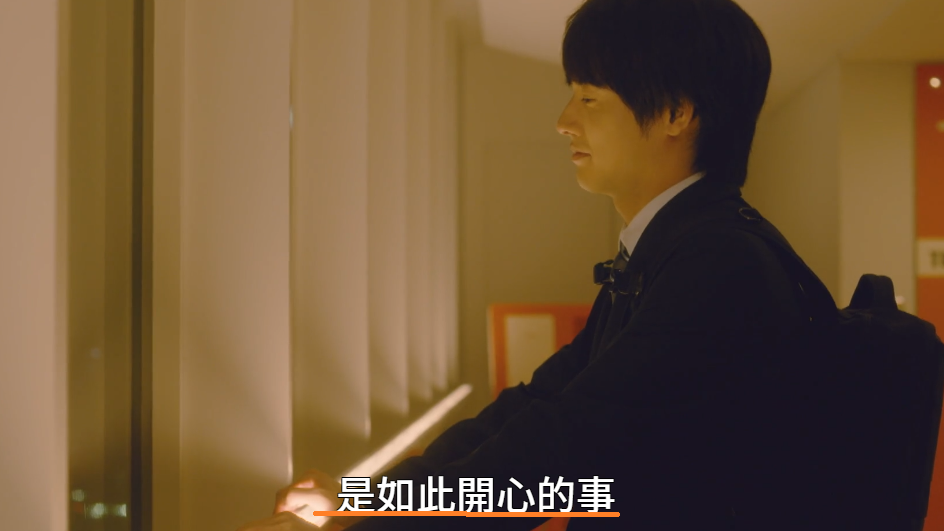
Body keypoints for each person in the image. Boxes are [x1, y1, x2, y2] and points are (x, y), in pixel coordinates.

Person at [239, 0, 807, 529]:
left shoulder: (717, 264)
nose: (564, 120)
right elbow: (540, 411)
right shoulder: (678, 249)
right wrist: (367, 498)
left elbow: (561, 460)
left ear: (676, 113)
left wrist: (367, 516)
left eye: (589, 98)